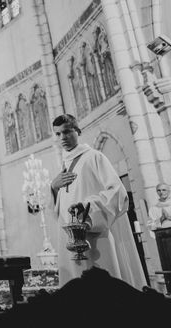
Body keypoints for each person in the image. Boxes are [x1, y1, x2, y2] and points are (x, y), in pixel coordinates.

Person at [50, 114, 147, 288]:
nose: (62, 137)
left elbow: (118, 193)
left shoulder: (94, 157)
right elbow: (58, 210)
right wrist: (53, 188)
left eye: (66, 132)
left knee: (102, 289)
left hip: (95, 237)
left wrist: (88, 208)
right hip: (70, 241)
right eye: (57, 134)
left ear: (78, 131)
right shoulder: (64, 165)